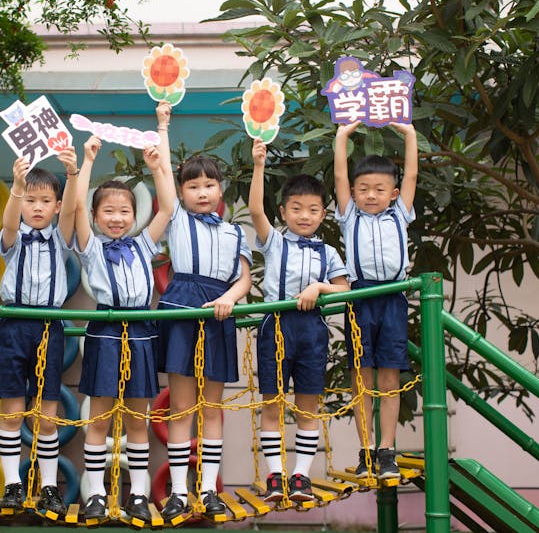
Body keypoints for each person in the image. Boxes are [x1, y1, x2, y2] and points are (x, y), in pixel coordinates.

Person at [73, 103, 175, 523]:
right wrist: (88, 161)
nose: (117, 218)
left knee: (137, 416)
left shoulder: (143, 245)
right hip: (105, 328)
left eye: (124, 212)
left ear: (134, 217)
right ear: (97, 218)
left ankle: (137, 493)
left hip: (142, 332)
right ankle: (94, 492)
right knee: (99, 416)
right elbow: (75, 207)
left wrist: (156, 166)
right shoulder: (91, 246)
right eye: (108, 212)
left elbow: (167, 207)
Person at [249, 138, 350, 502]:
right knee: (272, 402)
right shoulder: (275, 242)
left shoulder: (329, 251)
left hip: (312, 331)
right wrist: (259, 165)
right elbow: (255, 211)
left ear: (323, 214)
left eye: (312, 209)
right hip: (275, 327)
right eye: (296, 209)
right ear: (284, 211)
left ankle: (301, 476)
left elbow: (345, 290)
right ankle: (276, 475)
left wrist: (320, 287)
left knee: (309, 403)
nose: (304, 216)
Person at [156, 144, 252, 520]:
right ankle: (179, 491)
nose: (201, 192)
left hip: (218, 311)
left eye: (209, 184)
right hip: (182, 307)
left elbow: (243, 279)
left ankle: (209, 488)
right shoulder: (176, 218)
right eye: (193, 186)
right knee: (181, 406)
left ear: (221, 190)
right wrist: (163, 127)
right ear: (181, 193)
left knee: (212, 407)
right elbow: (162, 171)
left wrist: (228, 297)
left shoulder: (235, 233)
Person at [0, 149, 79, 516]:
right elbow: (10, 223)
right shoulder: (12, 238)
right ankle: (12, 483)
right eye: (31, 200)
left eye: (46, 201)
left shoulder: (60, 238)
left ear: (57, 205)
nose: (38, 207)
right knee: (12, 412)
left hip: (49, 326)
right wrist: (16, 185)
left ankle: (47, 486)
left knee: (46, 415)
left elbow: (74, 212)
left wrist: (72, 174)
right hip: (13, 325)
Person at [333, 121, 417, 479]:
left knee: (389, 378)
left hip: (392, 298)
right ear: (353, 192)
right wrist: (342, 136)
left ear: (394, 193)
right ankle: (366, 446)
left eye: (379, 189)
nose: (370, 195)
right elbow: (338, 175)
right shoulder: (349, 215)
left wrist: (409, 134)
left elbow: (412, 173)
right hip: (361, 298)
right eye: (363, 189)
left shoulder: (401, 213)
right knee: (361, 376)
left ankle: (387, 449)